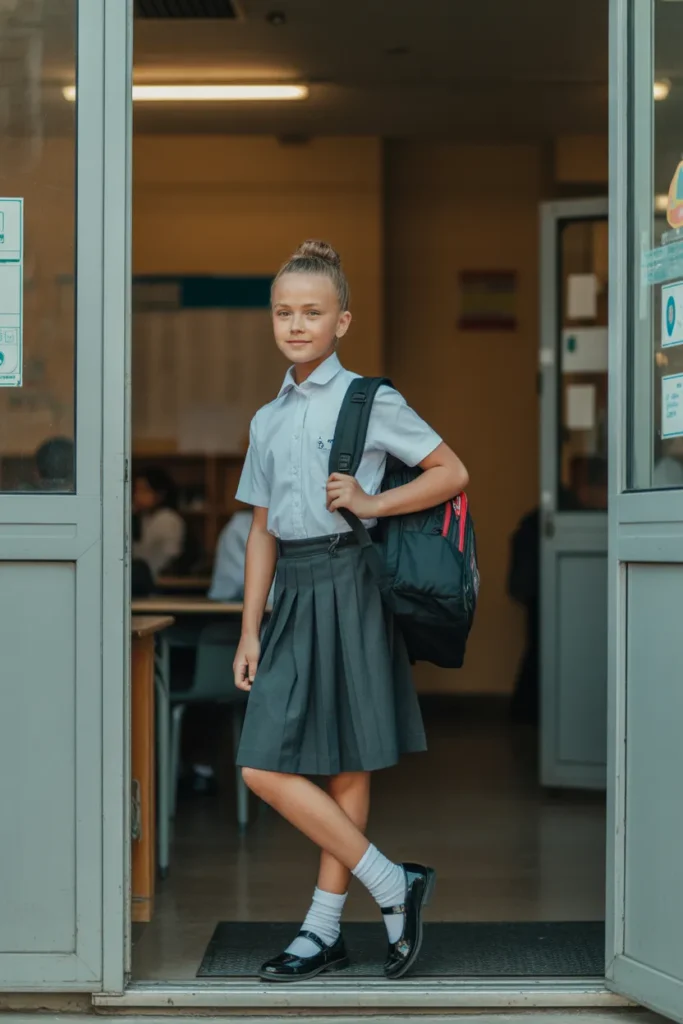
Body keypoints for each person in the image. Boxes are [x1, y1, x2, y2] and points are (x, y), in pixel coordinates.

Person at [232, 240, 469, 983]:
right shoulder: (266, 419)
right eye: (283, 312)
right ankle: (392, 884)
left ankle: (322, 928)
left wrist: (370, 501)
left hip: (350, 582)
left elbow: (450, 471)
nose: (296, 325)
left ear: (342, 320)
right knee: (261, 765)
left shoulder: (368, 399)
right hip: (293, 592)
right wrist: (249, 628)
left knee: (346, 763)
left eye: (312, 312)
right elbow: (264, 527)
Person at [132, 467, 186, 579]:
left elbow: (171, 557)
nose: (137, 496)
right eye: (136, 491)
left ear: (160, 493)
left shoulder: (168, 518)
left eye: (144, 490)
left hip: (160, 579)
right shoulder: (142, 517)